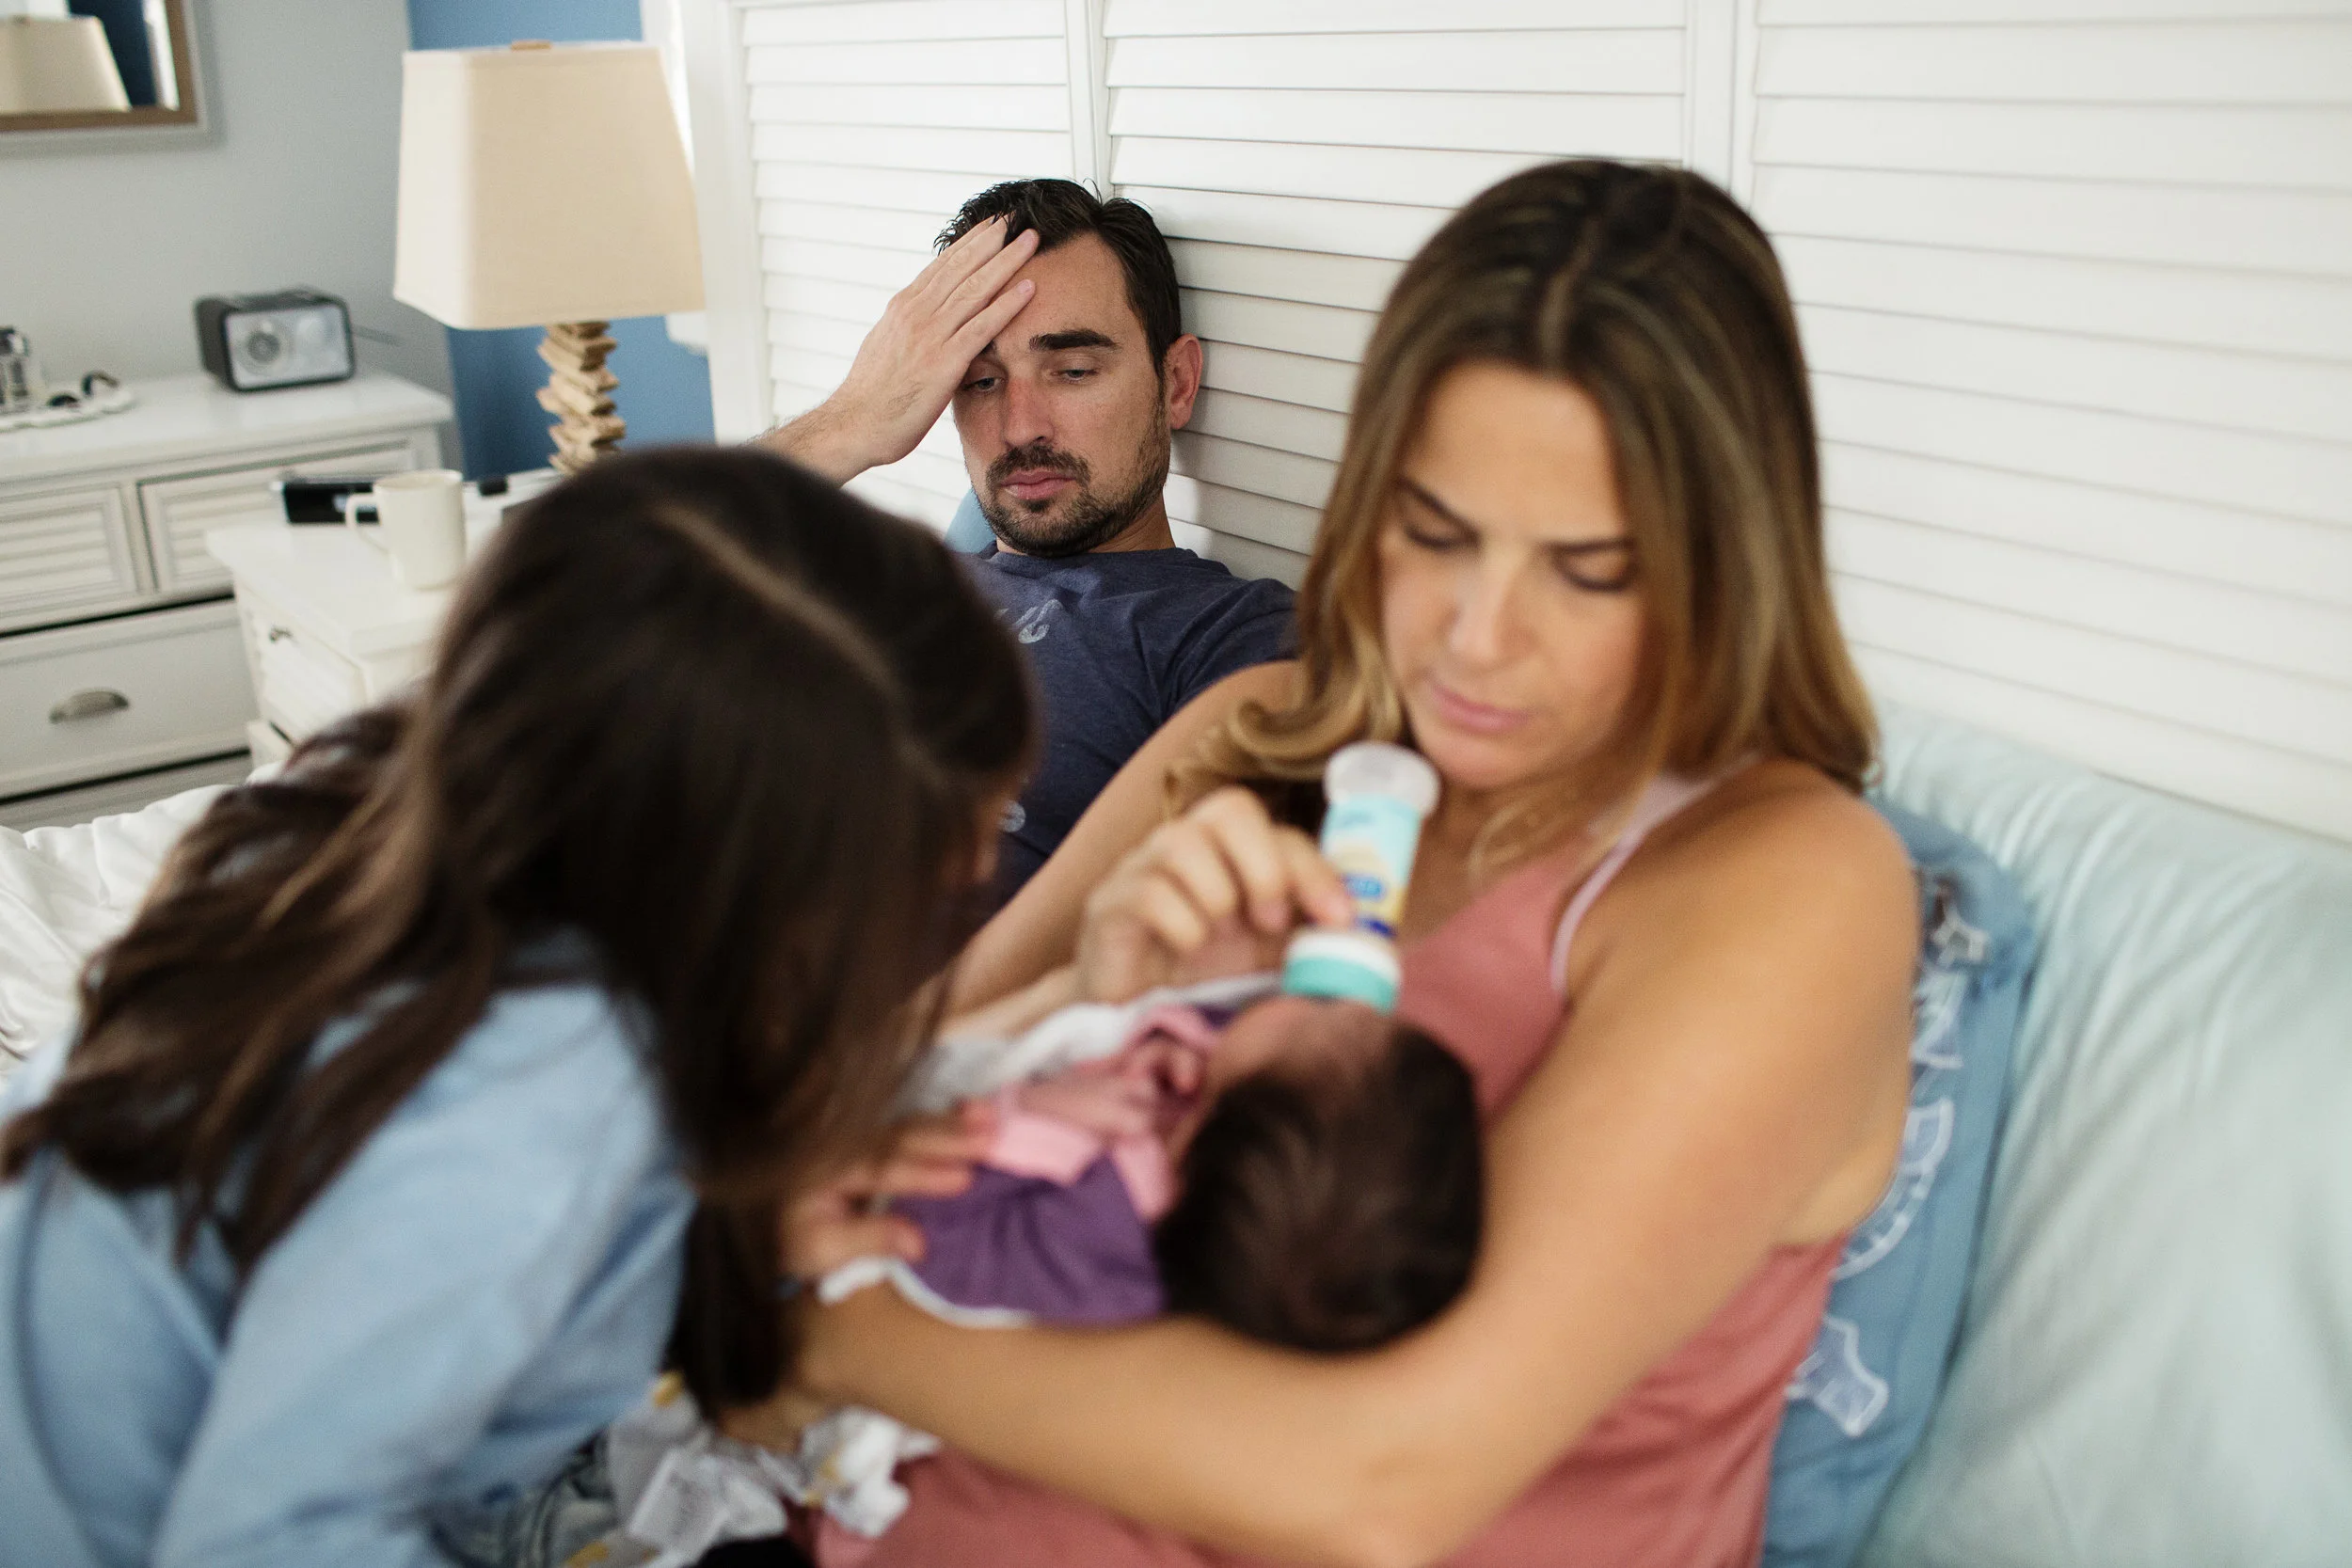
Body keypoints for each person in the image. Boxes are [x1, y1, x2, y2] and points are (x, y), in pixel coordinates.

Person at [736, 160, 1922, 1568]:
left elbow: (1387, 1485)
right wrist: (1082, 996)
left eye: (1586, 567)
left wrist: (817, 1336)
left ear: (1722, 559)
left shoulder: (1785, 878)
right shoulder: (1263, 734)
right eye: (1435, 531)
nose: (1476, 639)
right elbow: (848, 1118)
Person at [0, 448, 1031, 1568]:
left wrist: (718, 1241)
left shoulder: (397, 824)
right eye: (940, 865)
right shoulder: (547, 1087)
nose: (971, 878)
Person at [793, 981, 1482, 1563]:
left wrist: (1032, 1119)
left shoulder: (1109, 1236)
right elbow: (1213, 1032)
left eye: (1317, 1021)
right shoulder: (1234, 1144)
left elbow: (932, 1245)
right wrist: (1169, 1044)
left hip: (847, 1339)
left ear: (1221, 1125)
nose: (1343, 1000)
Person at [761, 179, 1295, 900]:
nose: (1020, 428)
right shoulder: (894, 589)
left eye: (1072, 371)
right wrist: (848, 423)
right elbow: (618, 612)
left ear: (1175, 383)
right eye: (980, 382)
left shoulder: (1232, 636)